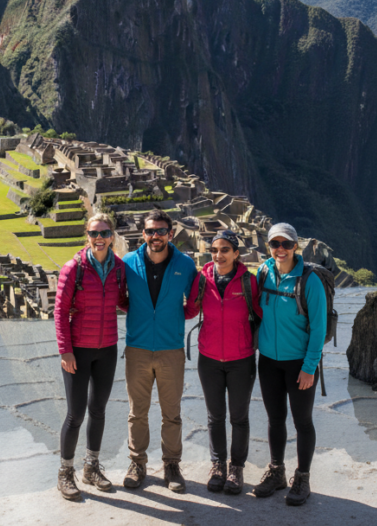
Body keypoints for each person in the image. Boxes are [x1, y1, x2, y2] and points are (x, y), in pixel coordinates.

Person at [119, 209, 198, 493]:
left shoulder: (184, 265)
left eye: (161, 231)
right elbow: (119, 298)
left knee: (171, 413)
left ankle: (172, 465)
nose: (156, 236)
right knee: (137, 412)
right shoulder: (128, 263)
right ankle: (137, 463)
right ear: (144, 234)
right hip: (138, 348)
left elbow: (195, 301)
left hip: (170, 349)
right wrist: (143, 316)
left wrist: (174, 319)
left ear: (170, 234)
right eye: (151, 231)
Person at [252, 222, 326, 506]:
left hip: (299, 364)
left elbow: (318, 329)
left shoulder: (310, 281)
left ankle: (303, 476)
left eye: (286, 244)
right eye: (275, 244)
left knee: (303, 421)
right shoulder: (263, 272)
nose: (280, 249)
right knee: (275, 419)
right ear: (268, 246)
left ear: (296, 246)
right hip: (268, 361)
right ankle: (277, 472)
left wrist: (309, 367)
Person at [54, 213, 127, 501]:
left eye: (105, 233)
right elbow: (60, 311)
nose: (100, 238)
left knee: (98, 410)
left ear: (112, 236)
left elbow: (123, 301)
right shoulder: (74, 269)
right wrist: (65, 350)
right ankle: (65, 472)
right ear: (87, 236)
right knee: (75, 414)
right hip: (79, 350)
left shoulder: (119, 268)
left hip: (107, 347)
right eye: (95, 233)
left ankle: (91, 467)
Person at [190, 229, 261, 495]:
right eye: (214, 250)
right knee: (215, 416)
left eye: (224, 250)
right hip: (208, 358)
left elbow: (265, 313)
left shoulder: (249, 283)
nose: (219, 255)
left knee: (239, 417)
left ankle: (237, 468)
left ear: (236, 253)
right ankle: (218, 464)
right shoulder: (201, 280)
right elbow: (189, 310)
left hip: (241, 359)